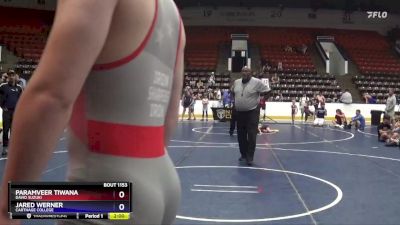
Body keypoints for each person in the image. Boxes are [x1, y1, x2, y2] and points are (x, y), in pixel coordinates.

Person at [0, 1, 185, 225]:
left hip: (105, 191)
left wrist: (7, 209)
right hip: (163, 180)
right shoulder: (173, 15)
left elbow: (51, 97)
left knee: (25, 202)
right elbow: (169, 117)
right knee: (39, 201)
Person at [232, 66, 270, 166]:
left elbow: (268, 91)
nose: (245, 72)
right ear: (241, 72)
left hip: (252, 112)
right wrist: (236, 102)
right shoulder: (236, 82)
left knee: (252, 135)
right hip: (240, 112)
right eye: (243, 71)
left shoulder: (257, 82)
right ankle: (243, 154)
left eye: (247, 71)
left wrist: (261, 101)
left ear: (251, 73)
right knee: (241, 135)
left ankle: (250, 157)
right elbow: (233, 92)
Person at [0, 71, 23, 156]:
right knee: (5, 130)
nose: (11, 77)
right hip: (7, 112)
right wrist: (2, 106)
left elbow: (22, 99)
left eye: (13, 75)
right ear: (8, 77)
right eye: (10, 76)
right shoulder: (3, 86)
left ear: (15, 77)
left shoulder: (19, 88)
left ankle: (13, 149)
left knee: (14, 131)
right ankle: (5, 148)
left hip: (16, 112)